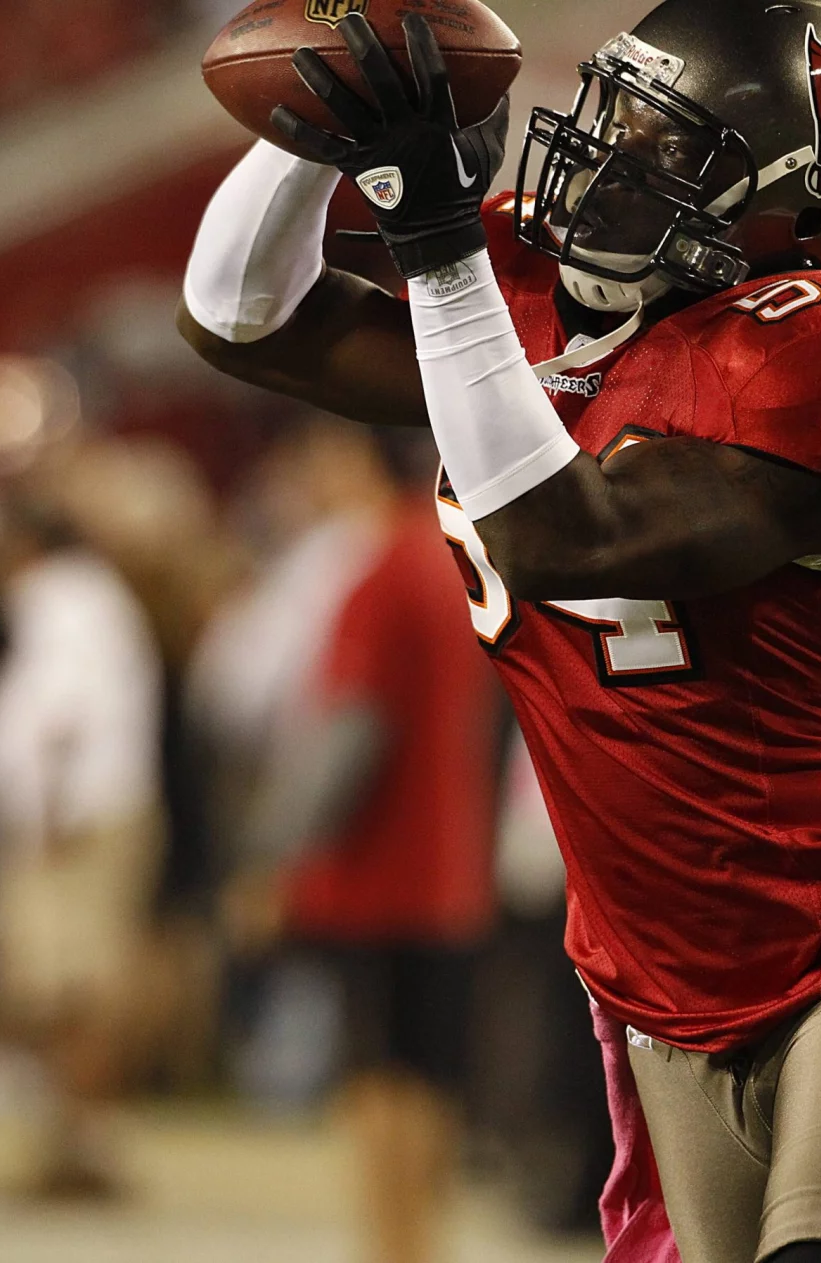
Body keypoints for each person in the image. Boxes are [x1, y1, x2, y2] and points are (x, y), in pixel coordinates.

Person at [179, 4, 821, 1262]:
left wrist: (436, 253)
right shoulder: (526, 297)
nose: (610, 151)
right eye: (620, 108)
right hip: (658, 987)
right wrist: (326, 124)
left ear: (785, 210)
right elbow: (235, 317)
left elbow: (564, 537)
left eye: (669, 141)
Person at [226, 423, 498, 1263]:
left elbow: (349, 734)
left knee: (376, 1077)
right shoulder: (453, 564)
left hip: (376, 871)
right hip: (452, 864)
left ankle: (392, 1248)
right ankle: (424, 1241)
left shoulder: (376, 574)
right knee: (431, 1072)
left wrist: (274, 854)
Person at [0, 495, 164, 1198]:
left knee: (74, 993)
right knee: (64, 994)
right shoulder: (86, 598)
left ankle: (82, 1146)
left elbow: (66, 714)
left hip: (72, 826)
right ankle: (72, 1144)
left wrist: (50, 806)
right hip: (85, 818)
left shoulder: (65, 597)